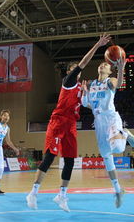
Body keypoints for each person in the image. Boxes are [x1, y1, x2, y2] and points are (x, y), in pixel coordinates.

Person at [26, 33, 112, 212]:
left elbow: (88, 104)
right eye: (75, 69)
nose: (78, 70)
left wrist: (88, 94)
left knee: (70, 161)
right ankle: (33, 192)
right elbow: (84, 62)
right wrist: (98, 45)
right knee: (49, 157)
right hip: (58, 122)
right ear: (70, 72)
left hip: (71, 125)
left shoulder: (81, 88)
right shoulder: (69, 81)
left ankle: (62, 195)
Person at [81, 59, 134, 208]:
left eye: (106, 65)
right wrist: (85, 94)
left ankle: (124, 133)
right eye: (101, 64)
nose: (103, 65)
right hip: (99, 123)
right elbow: (87, 104)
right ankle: (118, 190)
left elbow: (118, 84)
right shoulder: (91, 84)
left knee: (119, 148)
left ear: (109, 71)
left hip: (111, 118)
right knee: (107, 158)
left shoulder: (110, 80)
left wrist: (121, 69)